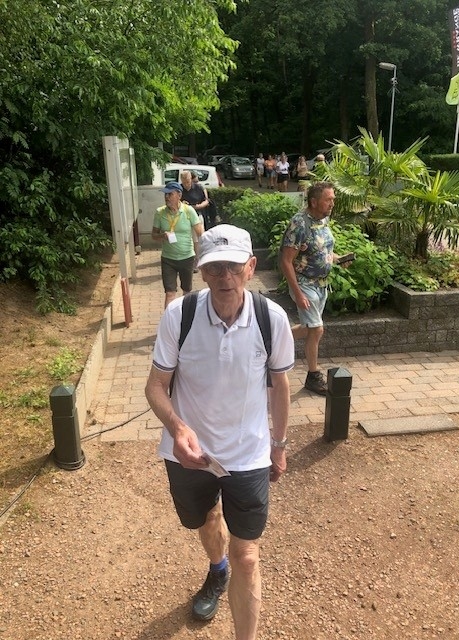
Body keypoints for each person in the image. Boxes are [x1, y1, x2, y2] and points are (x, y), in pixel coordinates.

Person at [145, 224, 294, 640]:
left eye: (233, 266)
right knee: (207, 520)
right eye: (214, 268)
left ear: (251, 267)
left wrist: (279, 446)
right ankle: (217, 568)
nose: (224, 277)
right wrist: (177, 429)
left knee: (248, 556)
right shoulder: (180, 315)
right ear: (201, 270)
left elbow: (280, 385)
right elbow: (155, 385)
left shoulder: (271, 318)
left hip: (248, 454)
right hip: (189, 455)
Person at [280, 181, 350, 395]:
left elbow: (322, 250)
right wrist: (298, 293)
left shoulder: (323, 220)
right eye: (328, 200)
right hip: (305, 284)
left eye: (333, 199)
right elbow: (286, 261)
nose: (332, 203)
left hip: (321, 285)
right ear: (314, 201)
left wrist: (338, 259)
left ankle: (272, 340)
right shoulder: (299, 223)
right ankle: (313, 376)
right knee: (317, 329)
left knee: (308, 328)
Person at [151, 181, 204, 308]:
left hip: (187, 257)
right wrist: (162, 236)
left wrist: (204, 254)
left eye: (170, 194)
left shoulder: (188, 211)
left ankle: (186, 317)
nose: (166, 197)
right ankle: (168, 319)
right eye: (165, 194)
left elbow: (201, 233)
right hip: (168, 259)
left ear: (179, 195)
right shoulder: (160, 212)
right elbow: (153, 235)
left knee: (187, 292)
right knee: (170, 293)